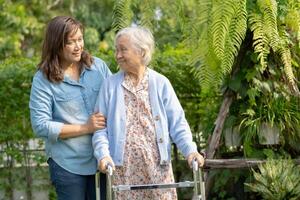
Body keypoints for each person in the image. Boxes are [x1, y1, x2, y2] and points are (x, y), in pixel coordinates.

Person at [92, 26, 205, 199]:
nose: (118, 55)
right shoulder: (110, 85)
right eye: (116, 50)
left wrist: (190, 150)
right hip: (123, 171)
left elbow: (177, 123)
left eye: (123, 50)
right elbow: (100, 128)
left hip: (157, 168)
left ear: (141, 52)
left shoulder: (161, 83)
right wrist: (103, 155)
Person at [29, 16, 111, 200]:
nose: (78, 46)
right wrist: (85, 127)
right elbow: (41, 125)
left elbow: (115, 103)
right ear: (56, 44)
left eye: (80, 39)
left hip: (103, 160)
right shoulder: (43, 80)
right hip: (67, 165)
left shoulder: (98, 67)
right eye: (70, 42)